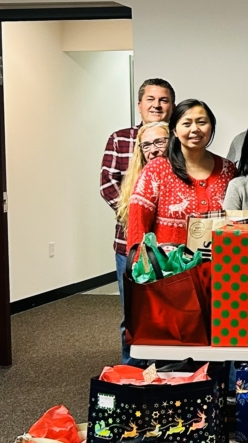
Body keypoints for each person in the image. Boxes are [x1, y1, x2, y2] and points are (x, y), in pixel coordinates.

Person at [99, 77, 174, 364]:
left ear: (172, 105)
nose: (157, 105)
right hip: (129, 245)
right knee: (133, 315)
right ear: (140, 104)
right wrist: (140, 217)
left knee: (172, 315)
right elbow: (108, 184)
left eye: (163, 100)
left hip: (173, 248)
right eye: (151, 99)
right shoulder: (120, 138)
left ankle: (173, 378)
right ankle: (131, 376)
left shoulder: (180, 139)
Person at [127, 99, 236, 251]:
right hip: (170, 271)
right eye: (186, 123)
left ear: (211, 127)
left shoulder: (228, 170)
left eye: (202, 122)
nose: (195, 129)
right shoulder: (156, 170)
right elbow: (138, 225)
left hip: (219, 268)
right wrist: (141, 267)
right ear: (175, 131)